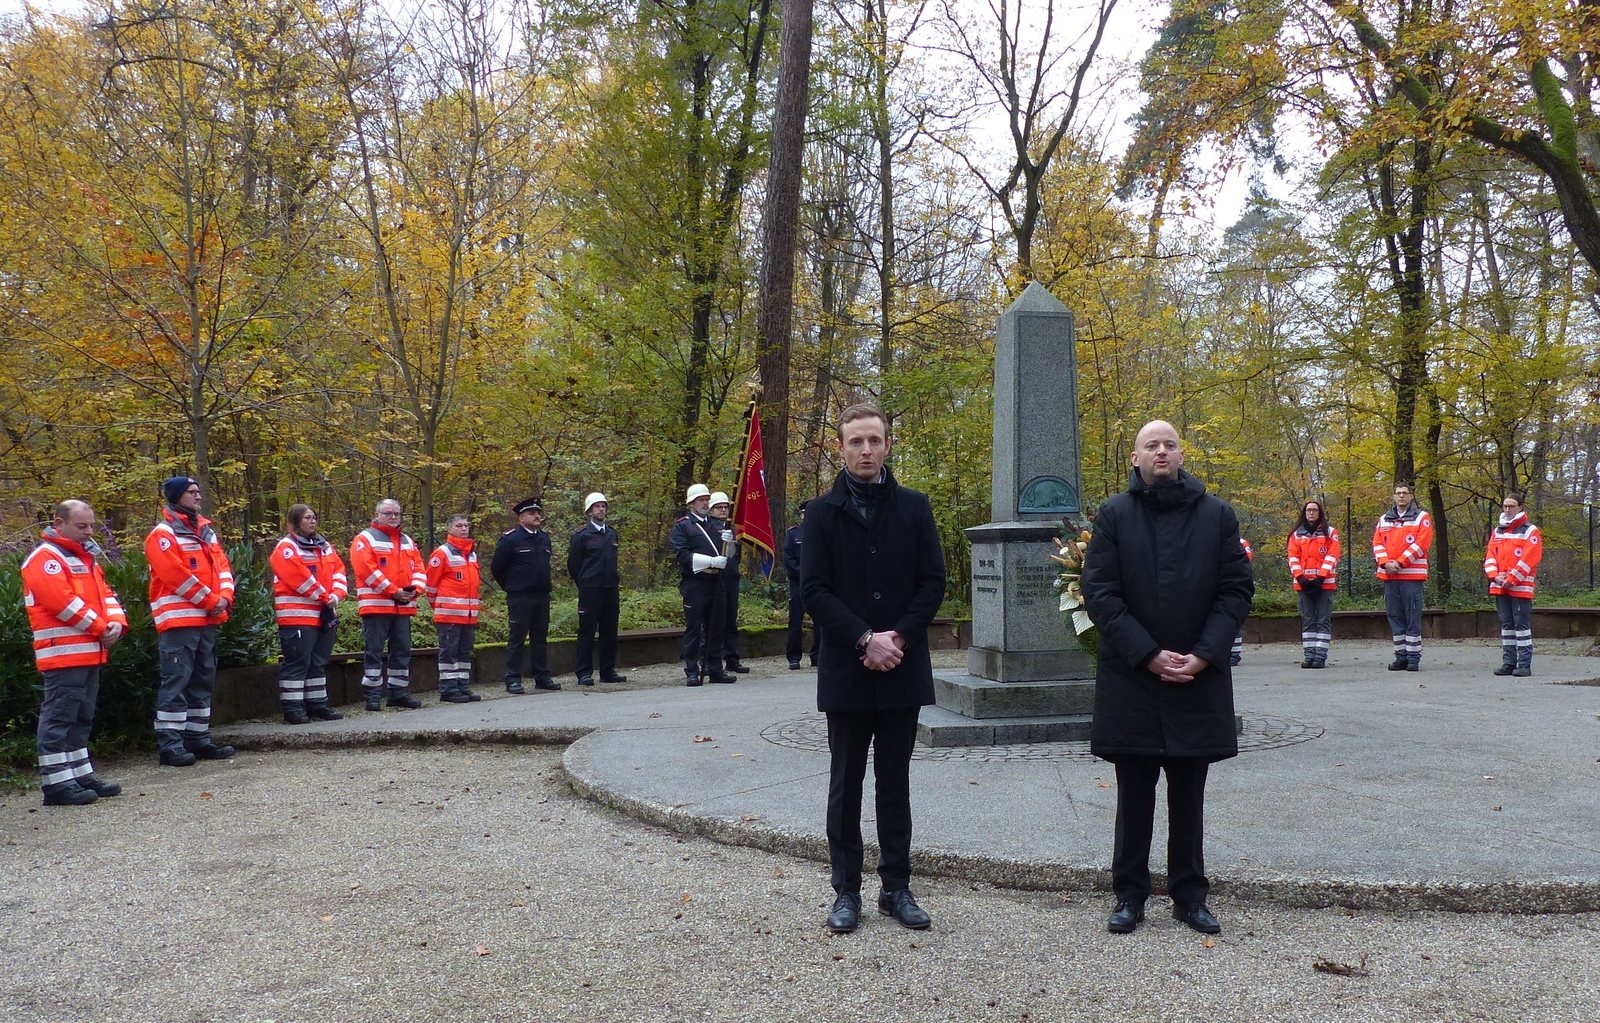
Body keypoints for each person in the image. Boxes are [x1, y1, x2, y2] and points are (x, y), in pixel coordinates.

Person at [1082, 420, 1253, 937]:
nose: (1161, 451)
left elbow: (1235, 591)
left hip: (1195, 678)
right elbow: (1102, 594)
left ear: (1181, 454)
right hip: (1133, 677)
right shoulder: (1113, 516)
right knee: (1133, 793)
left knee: (1189, 791)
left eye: (1169, 444)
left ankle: (1189, 895)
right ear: (1135, 459)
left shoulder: (1217, 515)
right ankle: (1129, 895)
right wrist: (1148, 654)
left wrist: (1203, 655)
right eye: (1150, 445)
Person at [802, 403, 946, 934]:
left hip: (902, 666)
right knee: (845, 783)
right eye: (856, 442)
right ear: (840, 448)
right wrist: (864, 638)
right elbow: (814, 589)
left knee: (895, 783)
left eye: (874, 441)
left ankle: (896, 886)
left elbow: (932, 581)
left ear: (888, 445)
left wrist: (897, 637)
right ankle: (846, 890)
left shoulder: (914, 506)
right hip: (847, 667)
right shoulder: (820, 513)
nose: (866, 450)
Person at [22, 500, 127, 805]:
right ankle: (56, 785)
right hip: (64, 655)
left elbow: (106, 597)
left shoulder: (84, 559)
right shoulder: (45, 558)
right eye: (82, 526)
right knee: (59, 716)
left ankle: (80, 774)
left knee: (81, 715)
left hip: (88, 652)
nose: (89, 532)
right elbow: (62, 603)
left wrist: (117, 624)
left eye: (91, 525)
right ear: (59, 524)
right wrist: (103, 628)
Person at [146, 476, 237, 767]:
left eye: (198, 492)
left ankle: (198, 738)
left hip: (206, 619)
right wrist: (213, 600)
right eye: (191, 492)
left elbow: (222, 566)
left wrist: (225, 595)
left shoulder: (205, 531)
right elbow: (176, 577)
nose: (198, 497)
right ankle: (170, 745)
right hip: (179, 621)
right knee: (177, 681)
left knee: (202, 680)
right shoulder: (162, 535)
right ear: (176, 496)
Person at [269, 504, 348, 723]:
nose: (312, 521)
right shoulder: (286, 547)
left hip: (324, 613)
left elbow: (339, 571)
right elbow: (298, 577)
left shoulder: (325, 546)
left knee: (318, 661)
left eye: (314, 517)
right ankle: (292, 708)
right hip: (297, 616)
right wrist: (326, 596)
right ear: (295, 521)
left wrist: (337, 594)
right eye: (306, 518)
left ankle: (317, 705)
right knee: (297, 662)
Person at [349, 498, 428, 711]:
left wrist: (414, 591)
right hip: (376, 605)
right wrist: (394, 591)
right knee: (374, 650)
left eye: (396, 513)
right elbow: (366, 570)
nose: (393, 517)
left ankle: (398, 693)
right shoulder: (364, 539)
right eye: (388, 513)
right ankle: (372, 695)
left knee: (401, 650)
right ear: (376, 515)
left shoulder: (407, 541)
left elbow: (420, 569)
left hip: (403, 606)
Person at [492, 497, 559, 693]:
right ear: (521, 518)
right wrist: (512, 587)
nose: (537, 516)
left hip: (541, 596)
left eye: (538, 512)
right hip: (520, 596)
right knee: (517, 638)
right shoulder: (511, 539)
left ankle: (542, 676)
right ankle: (513, 679)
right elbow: (497, 567)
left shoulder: (544, 538)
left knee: (540, 637)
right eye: (531, 513)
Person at [670, 484, 732, 686]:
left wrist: (730, 544)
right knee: (694, 629)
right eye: (701, 500)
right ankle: (692, 671)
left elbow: (727, 555)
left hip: (716, 582)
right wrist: (711, 562)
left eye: (706, 499)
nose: (705, 503)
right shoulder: (682, 527)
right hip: (695, 582)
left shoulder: (716, 525)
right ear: (691, 503)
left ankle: (715, 669)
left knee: (716, 627)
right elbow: (683, 555)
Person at [567, 492, 627, 686]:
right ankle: (584, 672)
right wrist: (585, 581)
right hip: (590, 589)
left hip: (610, 588)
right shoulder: (581, 535)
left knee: (610, 631)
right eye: (597, 506)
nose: (601, 509)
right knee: (587, 631)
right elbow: (574, 565)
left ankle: (607, 671)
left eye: (603, 506)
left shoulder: (611, 533)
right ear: (589, 510)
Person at [1372, 483, 1433, 671]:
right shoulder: (1384, 520)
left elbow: (1421, 544)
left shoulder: (1422, 518)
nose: (1401, 496)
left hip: (1411, 577)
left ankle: (1413, 657)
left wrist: (1399, 563)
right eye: (1398, 493)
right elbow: (1377, 543)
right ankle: (1401, 656)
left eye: (1405, 493)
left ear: (1411, 496)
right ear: (1393, 496)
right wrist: (1385, 563)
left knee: (1412, 616)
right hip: (1390, 576)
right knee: (1395, 616)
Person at [1485, 493, 1543, 677]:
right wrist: (1494, 576)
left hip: (1520, 587)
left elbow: (1529, 559)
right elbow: (1490, 556)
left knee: (1521, 626)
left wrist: (1512, 579)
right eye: (1505, 506)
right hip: (1500, 586)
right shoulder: (1498, 531)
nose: (1508, 509)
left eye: (1511, 506)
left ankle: (1524, 664)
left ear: (1520, 507)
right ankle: (1509, 662)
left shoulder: (1530, 531)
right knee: (1507, 625)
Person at [428, 514, 483, 702]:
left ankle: (463, 686)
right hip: (449, 615)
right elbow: (431, 585)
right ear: (449, 529)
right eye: (459, 525)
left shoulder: (472, 554)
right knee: (449, 652)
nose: (464, 528)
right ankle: (449, 690)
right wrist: (438, 605)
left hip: (468, 615)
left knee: (464, 653)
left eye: (466, 525)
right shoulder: (442, 553)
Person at [1287, 500, 1340, 669]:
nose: (1311, 513)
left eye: (1314, 510)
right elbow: (1292, 557)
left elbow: (1332, 556)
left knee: (1323, 619)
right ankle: (1309, 655)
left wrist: (1320, 577)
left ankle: (1320, 656)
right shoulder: (1296, 535)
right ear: (1304, 512)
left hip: (1324, 584)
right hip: (1303, 585)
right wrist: (1301, 577)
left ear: (1320, 513)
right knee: (1308, 620)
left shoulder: (1330, 533)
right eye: (1309, 510)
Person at [709, 491, 749, 674]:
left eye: (725, 507)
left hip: (731, 577)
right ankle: (708, 659)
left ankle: (732, 657)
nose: (723, 510)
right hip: (713, 579)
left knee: (730, 620)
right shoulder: (707, 527)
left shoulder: (732, 529)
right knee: (712, 621)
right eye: (719, 507)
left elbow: (735, 554)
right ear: (711, 510)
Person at [783, 500, 818, 669]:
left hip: (818, 585)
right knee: (795, 621)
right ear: (802, 515)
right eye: (805, 513)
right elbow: (788, 560)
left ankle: (817, 656)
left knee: (820, 621)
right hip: (798, 584)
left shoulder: (822, 533)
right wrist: (804, 574)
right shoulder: (793, 534)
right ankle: (794, 657)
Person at [1229, 536, 1253, 666]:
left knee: (1234, 620)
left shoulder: (1242, 543)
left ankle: (1234, 654)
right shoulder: (1213, 539)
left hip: (1236, 586)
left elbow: (1246, 562)